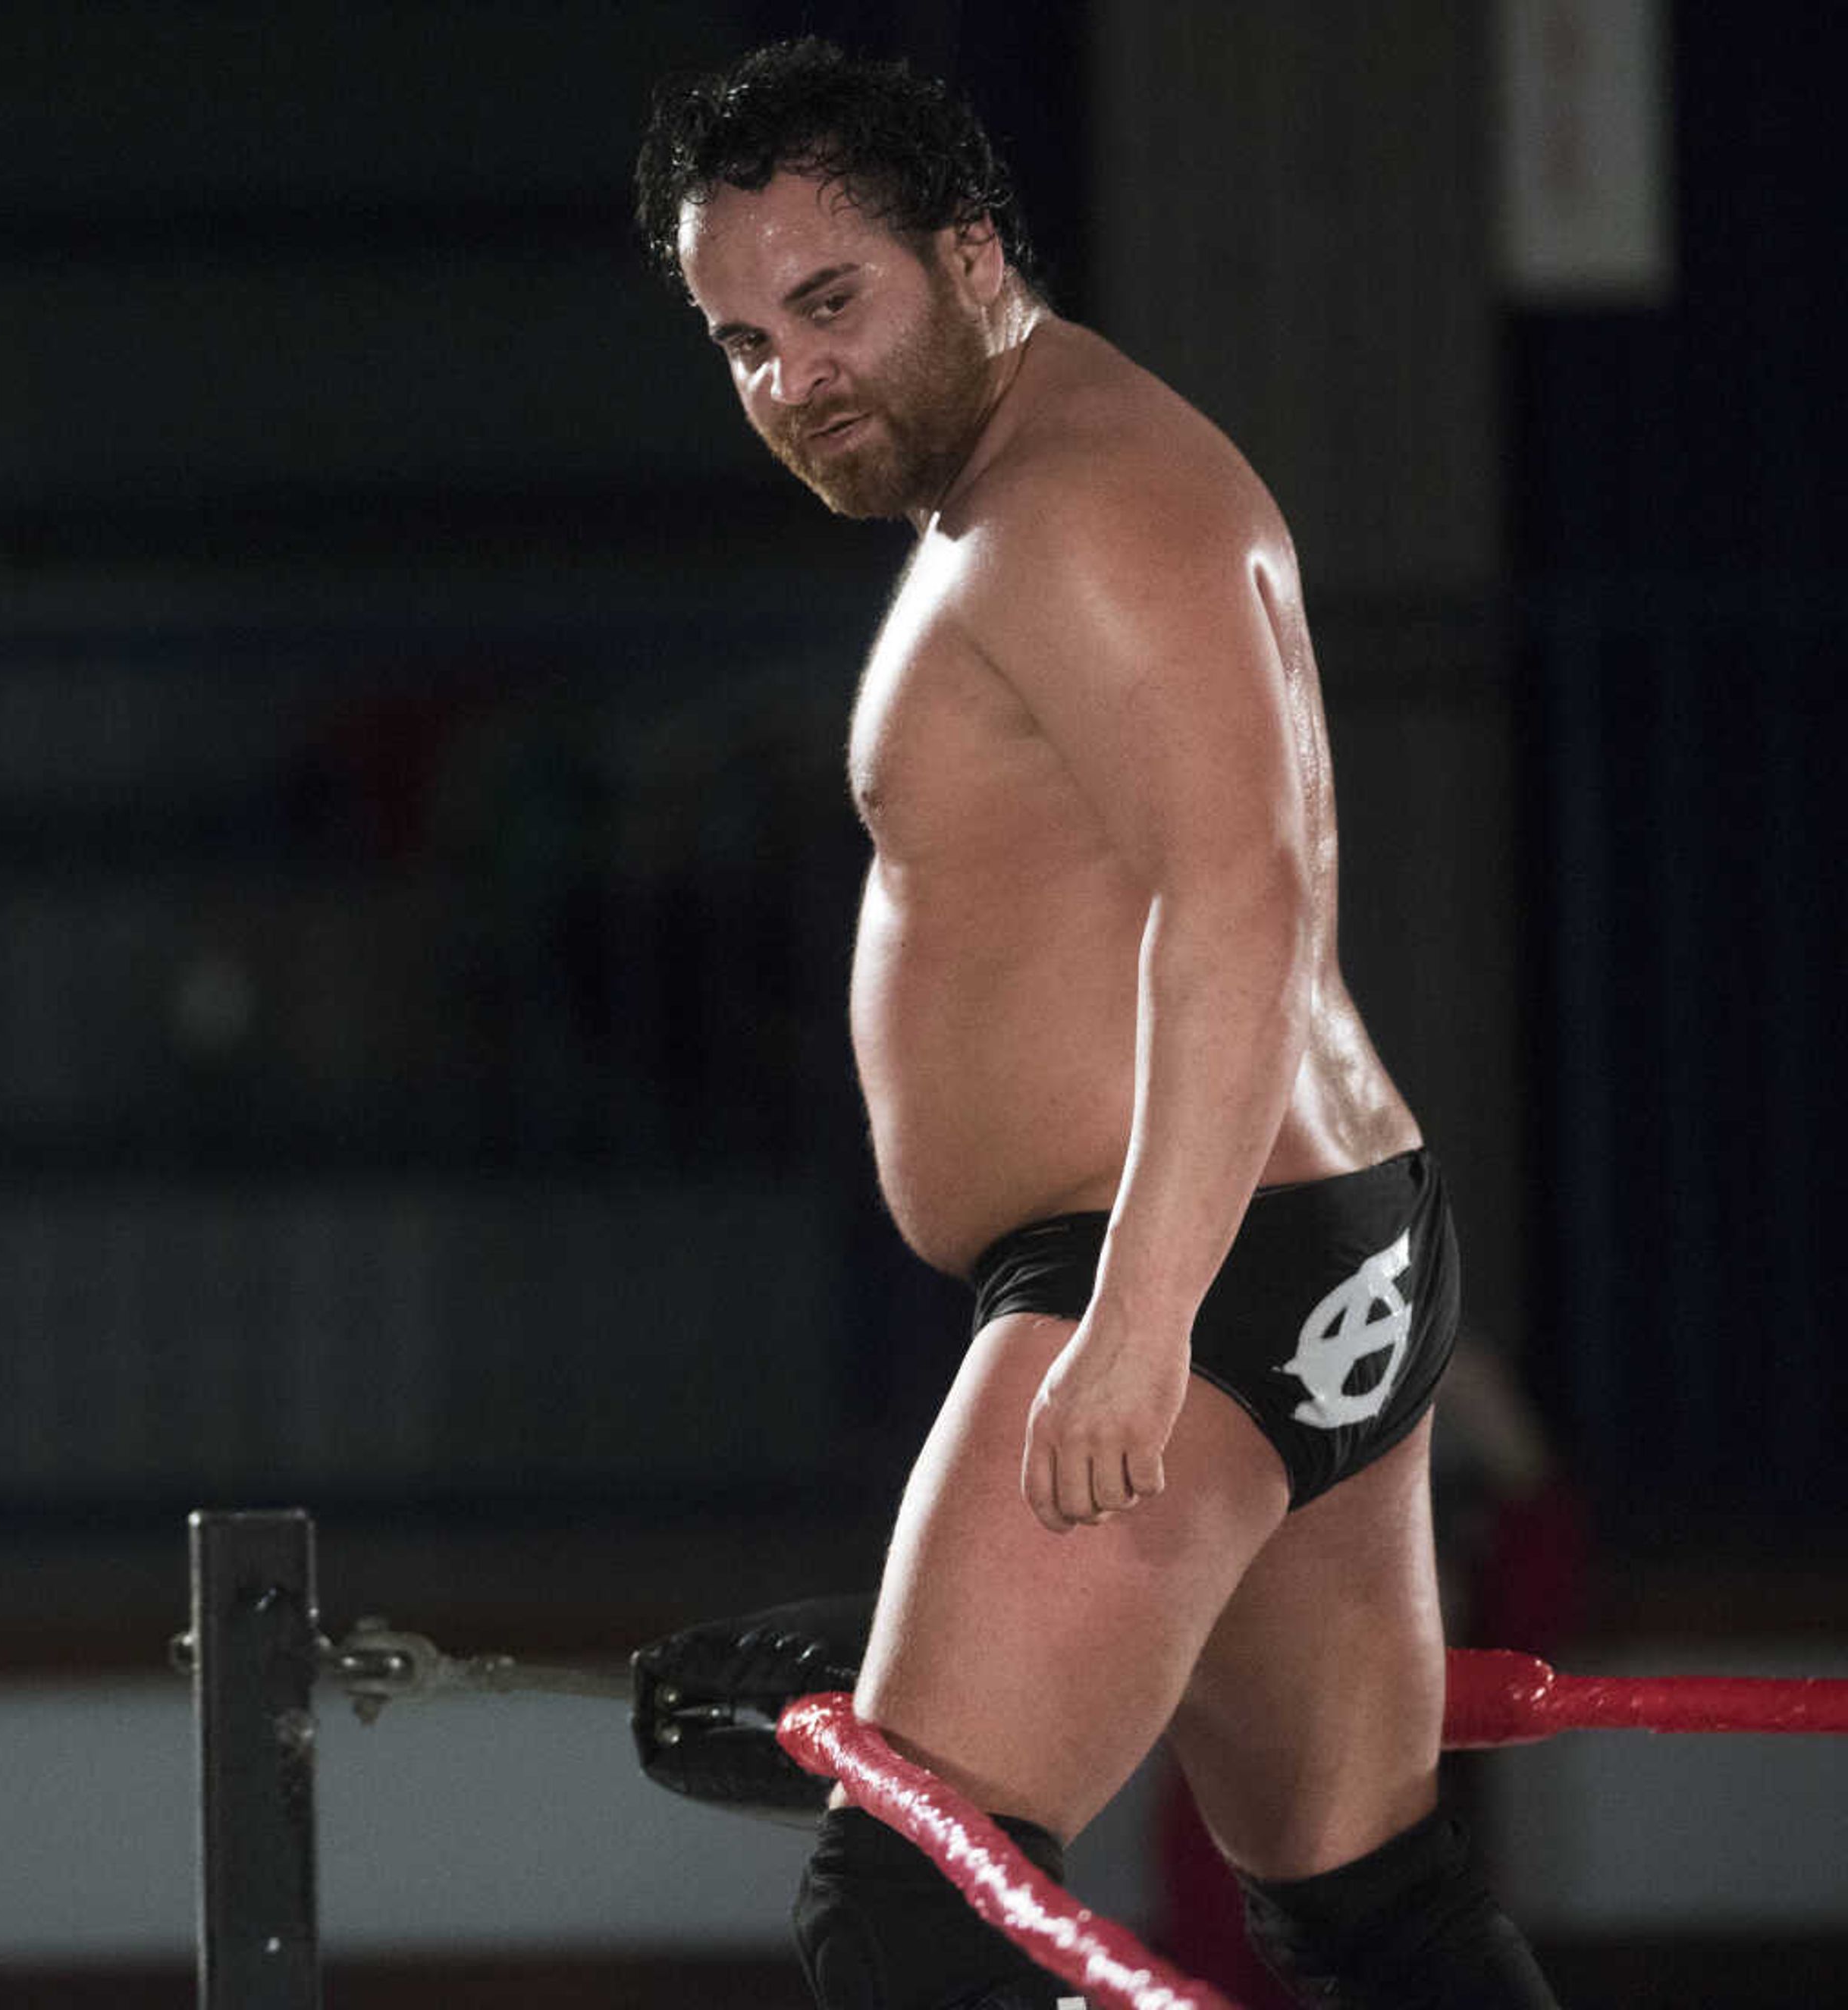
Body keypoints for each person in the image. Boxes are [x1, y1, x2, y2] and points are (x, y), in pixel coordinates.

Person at [633, 42, 1555, 2009]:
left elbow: (1243, 894)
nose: (792, 378)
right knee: (1372, 1914)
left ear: (970, 255)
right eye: (740, 340)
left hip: (1187, 1276)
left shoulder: (1078, 502)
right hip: (1310, 1254)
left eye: (829, 303)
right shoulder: (1044, 481)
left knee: (906, 1917)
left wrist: (1135, 1322)